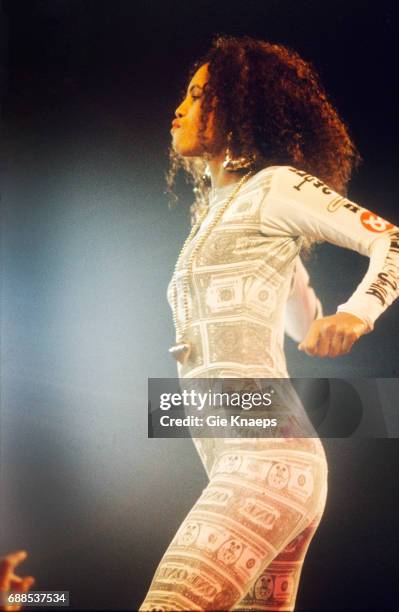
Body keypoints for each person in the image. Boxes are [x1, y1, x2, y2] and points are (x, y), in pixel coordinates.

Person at [140, 35, 399, 611]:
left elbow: (392, 243)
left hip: (267, 463)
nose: (179, 108)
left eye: (200, 95)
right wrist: (314, 318)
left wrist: (358, 313)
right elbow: (301, 317)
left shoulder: (275, 186)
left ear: (238, 109)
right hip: (252, 466)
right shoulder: (217, 214)